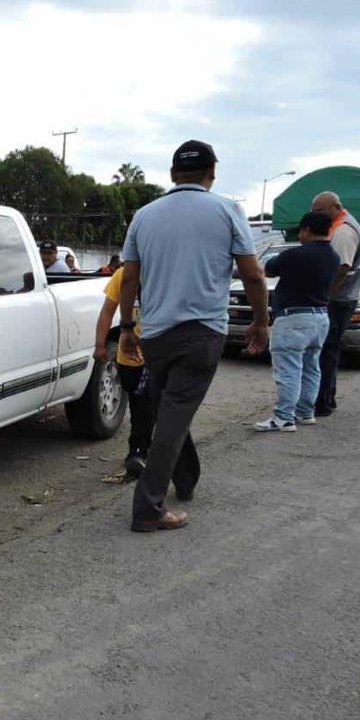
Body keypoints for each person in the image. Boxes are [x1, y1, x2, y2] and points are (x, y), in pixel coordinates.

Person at [119, 140, 269, 532]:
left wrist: (127, 327)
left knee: (171, 408)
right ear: (211, 174)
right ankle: (148, 509)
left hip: (155, 333)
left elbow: (130, 277)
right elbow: (252, 274)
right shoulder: (227, 210)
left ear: (172, 174)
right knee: (172, 416)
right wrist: (261, 321)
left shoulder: (144, 215)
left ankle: (185, 479)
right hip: (202, 332)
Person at [254, 212, 341, 432]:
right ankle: (305, 412)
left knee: (289, 369)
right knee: (312, 366)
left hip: (293, 317)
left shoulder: (295, 254)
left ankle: (283, 417)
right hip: (321, 316)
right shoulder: (333, 256)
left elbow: (269, 268)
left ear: (307, 230)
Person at [310, 191, 360, 417]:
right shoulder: (341, 224)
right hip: (341, 299)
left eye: (319, 211)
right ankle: (325, 398)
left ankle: (322, 401)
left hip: (338, 300)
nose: (315, 216)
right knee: (327, 350)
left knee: (326, 351)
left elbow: (342, 268)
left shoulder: (343, 231)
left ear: (334, 207)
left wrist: (326, 296)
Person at [94, 264, 152, 475]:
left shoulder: (167, 272)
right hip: (129, 357)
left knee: (151, 406)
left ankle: (139, 451)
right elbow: (107, 311)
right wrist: (100, 345)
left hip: (159, 354)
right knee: (139, 406)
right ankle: (140, 449)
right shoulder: (123, 275)